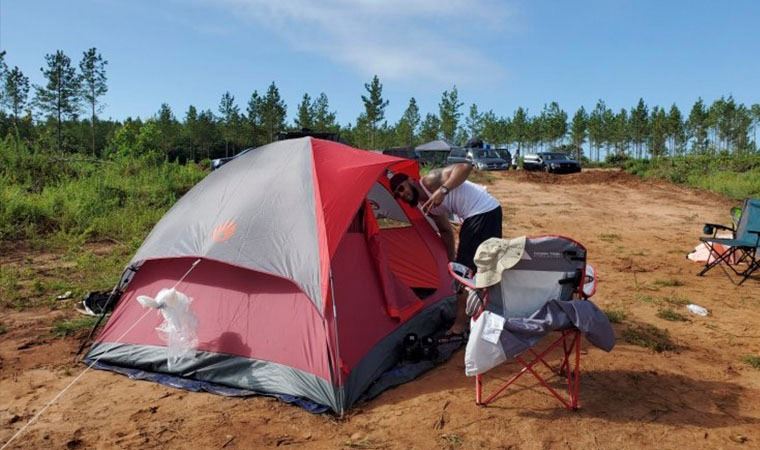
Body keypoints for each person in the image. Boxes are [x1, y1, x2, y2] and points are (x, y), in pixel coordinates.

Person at [390, 163, 502, 335]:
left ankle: (460, 325)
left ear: (410, 180)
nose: (403, 194)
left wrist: (442, 190)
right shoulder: (426, 205)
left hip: (480, 212)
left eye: (402, 188)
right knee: (479, 267)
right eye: (398, 194)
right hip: (488, 212)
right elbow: (445, 231)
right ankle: (488, 312)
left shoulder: (429, 181)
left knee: (466, 274)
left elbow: (465, 167)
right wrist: (451, 261)